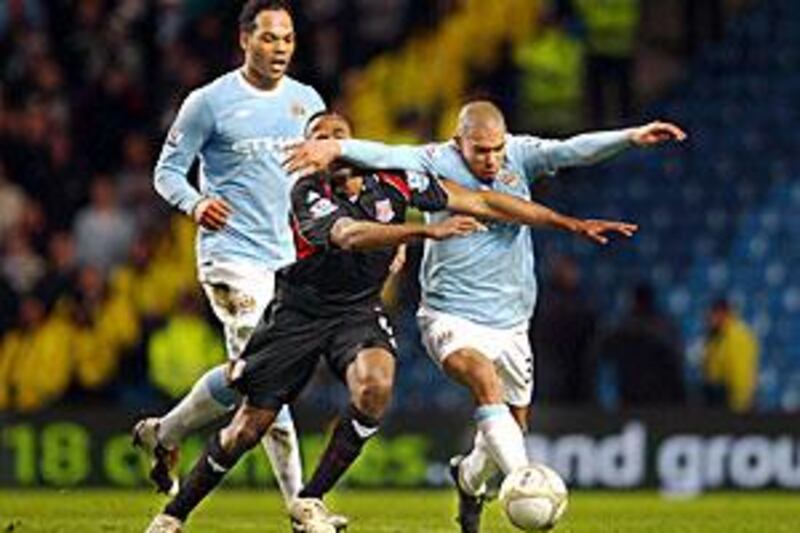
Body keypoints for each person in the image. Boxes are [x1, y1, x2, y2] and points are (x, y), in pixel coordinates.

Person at [144, 111, 637, 533]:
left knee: (375, 389)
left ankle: (309, 501)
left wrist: (568, 223)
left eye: (334, 135)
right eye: (317, 136)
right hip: (299, 312)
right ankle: (174, 514)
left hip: (358, 311)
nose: (326, 144)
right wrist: (424, 233)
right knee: (249, 428)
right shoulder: (307, 192)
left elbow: (483, 201)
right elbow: (350, 234)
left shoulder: (395, 181)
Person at [283, 101, 685, 532]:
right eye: (481, 152)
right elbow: (383, 154)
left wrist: (629, 137)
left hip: (513, 322)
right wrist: (337, 147)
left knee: (506, 434)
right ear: (460, 143)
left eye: (497, 149)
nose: (491, 159)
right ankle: (527, 481)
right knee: (484, 381)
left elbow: (571, 150)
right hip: (449, 314)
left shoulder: (520, 154)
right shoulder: (434, 160)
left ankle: (469, 479)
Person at [132, 0, 325, 507]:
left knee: (247, 374)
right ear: (244, 39)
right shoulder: (209, 102)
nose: (279, 47)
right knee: (269, 378)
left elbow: (317, 177)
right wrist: (196, 203)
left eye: (286, 38)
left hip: (289, 261)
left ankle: (166, 431)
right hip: (231, 258)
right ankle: (301, 507)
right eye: (268, 37)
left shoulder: (307, 101)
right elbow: (167, 172)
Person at [598, 282, 685, 407]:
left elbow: (603, 351)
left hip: (633, 399)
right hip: (659, 400)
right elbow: (676, 362)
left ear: (634, 301)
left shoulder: (623, 327)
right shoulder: (664, 327)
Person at [702, 298, 760, 412]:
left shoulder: (737, 335)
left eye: (712, 315)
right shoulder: (717, 335)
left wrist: (739, 405)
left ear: (722, 314)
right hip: (718, 396)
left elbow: (741, 372)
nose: (708, 319)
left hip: (732, 402)